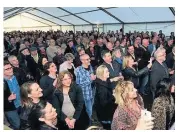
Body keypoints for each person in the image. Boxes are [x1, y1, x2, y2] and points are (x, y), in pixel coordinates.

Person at [95, 65, 117, 130]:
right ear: (102, 74)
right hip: (106, 115)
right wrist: (114, 96)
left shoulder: (102, 82)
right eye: (107, 71)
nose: (109, 72)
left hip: (104, 113)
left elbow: (107, 82)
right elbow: (104, 103)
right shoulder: (102, 88)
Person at [75, 54, 96, 123]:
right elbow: (79, 84)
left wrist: (93, 76)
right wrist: (90, 79)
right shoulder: (79, 70)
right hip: (86, 93)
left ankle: (89, 118)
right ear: (82, 61)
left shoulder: (90, 66)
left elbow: (92, 74)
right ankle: (89, 121)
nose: (89, 60)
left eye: (89, 58)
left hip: (93, 90)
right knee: (89, 109)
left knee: (91, 107)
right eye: (87, 59)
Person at [4, 61, 21, 129]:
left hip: (20, 103)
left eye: (11, 67)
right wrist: (8, 99)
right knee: (17, 124)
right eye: (7, 69)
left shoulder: (16, 76)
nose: (11, 69)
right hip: (10, 108)